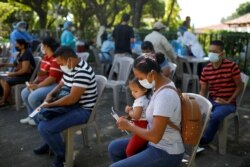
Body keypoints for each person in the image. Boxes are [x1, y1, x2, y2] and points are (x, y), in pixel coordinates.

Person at [108, 55, 184, 167]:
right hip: (153, 143)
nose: (139, 81)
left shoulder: (165, 96)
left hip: (166, 151)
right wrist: (130, 118)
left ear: (152, 74)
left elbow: (155, 136)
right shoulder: (157, 86)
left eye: (140, 78)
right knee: (114, 148)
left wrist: (129, 126)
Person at [34, 46, 97, 167]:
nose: (60, 66)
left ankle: (62, 155)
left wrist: (50, 104)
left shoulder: (82, 72)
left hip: (83, 109)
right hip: (73, 105)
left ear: (70, 60)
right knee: (38, 115)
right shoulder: (71, 67)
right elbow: (62, 83)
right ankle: (50, 143)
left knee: (44, 127)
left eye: (60, 63)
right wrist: (50, 93)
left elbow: (71, 98)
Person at [199, 40, 243, 146]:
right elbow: (203, 91)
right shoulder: (206, 69)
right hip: (213, 101)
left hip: (228, 103)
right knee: (194, 110)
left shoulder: (232, 66)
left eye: (214, 51)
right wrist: (199, 104)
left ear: (222, 54)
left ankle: (205, 140)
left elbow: (240, 86)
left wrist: (228, 101)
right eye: (210, 51)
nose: (211, 54)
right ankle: (194, 136)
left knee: (216, 116)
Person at [20, 37, 63, 126]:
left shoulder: (55, 58)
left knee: (33, 97)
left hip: (55, 84)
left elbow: (52, 78)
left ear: (46, 46)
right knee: (24, 92)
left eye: (42, 45)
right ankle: (32, 116)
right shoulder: (45, 57)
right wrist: (34, 82)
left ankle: (42, 118)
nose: (41, 47)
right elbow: (41, 74)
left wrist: (38, 86)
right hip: (45, 83)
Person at [0, 39, 35, 107]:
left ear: (22, 45)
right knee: (1, 80)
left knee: (6, 82)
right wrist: (4, 64)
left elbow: (24, 70)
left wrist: (12, 74)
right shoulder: (20, 54)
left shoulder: (26, 54)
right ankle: (6, 98)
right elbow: (15, 65)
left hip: (26, 77)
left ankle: (4, 100)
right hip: (20, 75)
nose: (15, 46)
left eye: (17, 44)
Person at [124, 78, 150, 157]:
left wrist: (129, 111)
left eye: (136, 91)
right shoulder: (146, 98)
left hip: (142, 126)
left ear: (145, 89)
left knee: (130, 150)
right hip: (144, 125)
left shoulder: (140, 101)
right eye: (132, 90)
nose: (133, 93)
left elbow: (136, 116)